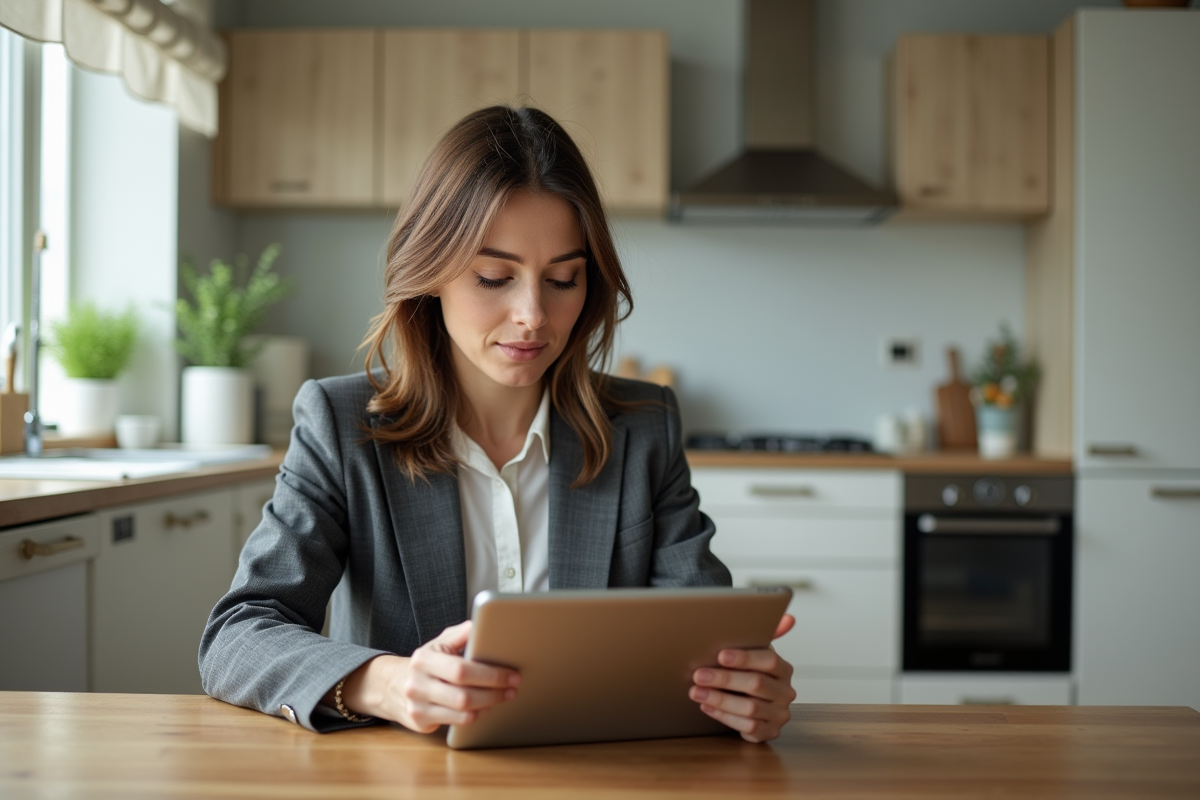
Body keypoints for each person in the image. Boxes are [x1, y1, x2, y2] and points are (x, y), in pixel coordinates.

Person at [199, 105, 797, 743]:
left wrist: (742, 689)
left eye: (563, 279)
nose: (533, 315)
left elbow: (700, 639)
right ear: (430, 273)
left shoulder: (642, 428)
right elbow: (237, 636)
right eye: (494, 277)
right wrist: (388, 682)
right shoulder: (340, 424)